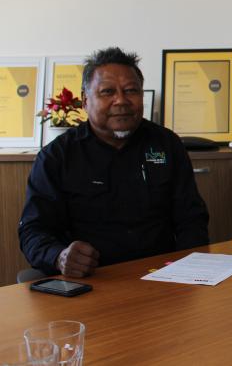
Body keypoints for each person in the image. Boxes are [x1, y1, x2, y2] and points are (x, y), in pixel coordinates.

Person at [19, 47, 209, 278]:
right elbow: (33, 230)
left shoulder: (166, 144)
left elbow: (192, 219)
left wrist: (186, 269)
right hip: (91, 281)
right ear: (85, 101)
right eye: (107, 92)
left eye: (131, 90)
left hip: (162, 277)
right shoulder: (57, 156)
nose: (121, 100)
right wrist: (58, 256)